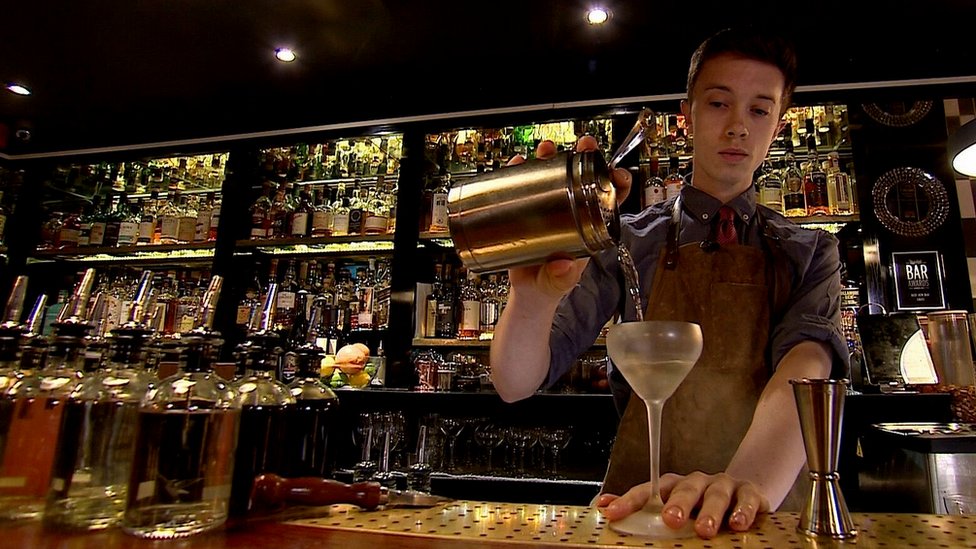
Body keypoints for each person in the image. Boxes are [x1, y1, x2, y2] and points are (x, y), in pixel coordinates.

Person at [490, 26, 847, 540]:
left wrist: (736, 488)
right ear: (687, 116)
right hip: (641, 515)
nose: (738, 128)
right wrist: (532, 295)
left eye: (759, 110)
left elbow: (800, 378)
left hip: (763, 516)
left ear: (778, 125)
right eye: (720, 104)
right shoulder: (626, 242)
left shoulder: (810, 253)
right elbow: (516, 381)